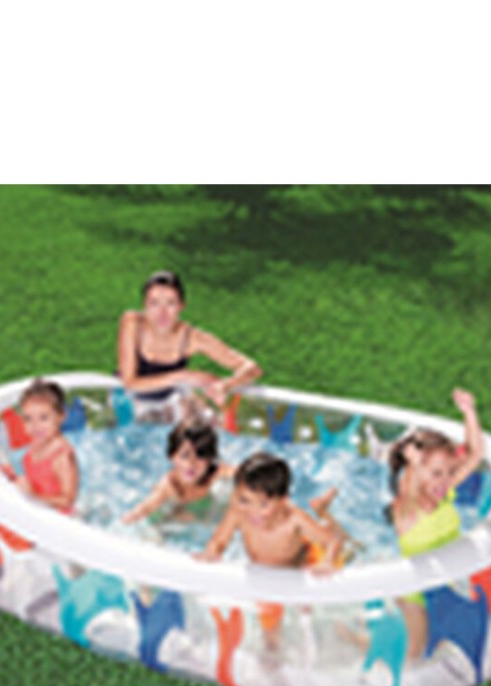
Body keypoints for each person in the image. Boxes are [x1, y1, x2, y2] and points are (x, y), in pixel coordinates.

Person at [196, 453, 348, 650]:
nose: (253, 511)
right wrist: (212, 552)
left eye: (263, 504)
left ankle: (323, 510)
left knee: (312, 609)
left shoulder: (293, 518)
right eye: (244, 499)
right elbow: (219, 541)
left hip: (303, 561)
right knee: (269, 636)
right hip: (265, 573)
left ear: (283, 501)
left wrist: (326, 562)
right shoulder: (238, 513)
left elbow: (332, 542)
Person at [385, 388, 485, 656]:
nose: (445, 480)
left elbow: (475, 455)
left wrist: (469, 412)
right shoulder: (406, 510)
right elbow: (410, 487)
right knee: (415, 653)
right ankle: (359, 645)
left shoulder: (445, 492)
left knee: (441, 641)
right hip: (414, 593)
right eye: (436, 473)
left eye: (450, 472)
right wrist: (415, 464)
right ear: (416, 472)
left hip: (443, 584)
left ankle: (359, 638)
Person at [117, 271, 262, 421]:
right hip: (128, 400)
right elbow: (129, 383)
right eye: (154, 303)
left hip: (169, 402)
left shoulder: (192, 338)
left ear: (181, 306)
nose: (162, 313)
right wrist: (183, 376)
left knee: (209, 418)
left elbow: (251, 368)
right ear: (145, 305)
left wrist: (225, 385)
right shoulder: (133, 323)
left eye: (171, 303)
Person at [121, 419, 234, 526]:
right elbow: (145, 508)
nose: (191, 463)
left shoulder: (215, 473)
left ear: (209, 460)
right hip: (173, 512)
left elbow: (240, 471)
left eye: (200, 455)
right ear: (172, 457)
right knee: (172, 520)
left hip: (204, 509)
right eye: (185, 455)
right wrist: (127, 520)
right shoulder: (169, 484)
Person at [11, 378, 79, 514]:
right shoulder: (39, 440)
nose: (35, 425)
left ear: (61, 416)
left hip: (59, 520)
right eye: (28, 418)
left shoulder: (62, 456)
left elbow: (67, 500)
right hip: (40, 510)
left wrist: (33, 497)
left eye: (43, 418)